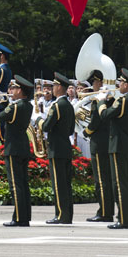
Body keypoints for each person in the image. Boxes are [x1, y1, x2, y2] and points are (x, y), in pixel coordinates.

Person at [96, 68, 128, 229]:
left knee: (119, 183)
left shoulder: (124, 100)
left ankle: (124, 219)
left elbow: (105, 115)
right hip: (127, 144)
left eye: (121, 82)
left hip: (118, 145)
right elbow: (116, 114)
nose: (119, 85)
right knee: (127, 182)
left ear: (126, 85)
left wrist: (101, 101)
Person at [0, 75, 34, 227]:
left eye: (14, 88)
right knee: (23, 184)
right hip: (22, 146)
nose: (11, 90)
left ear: (21, 91)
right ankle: (24, 216)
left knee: (15, 185)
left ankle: (19, 218)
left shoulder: (16, 106)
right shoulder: (27, 105)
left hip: (13, 148)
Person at [39, 72, 75, 224]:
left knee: (58, 184)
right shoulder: (68, 105)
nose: (52, 88)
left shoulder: (57, 105)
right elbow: (71, 130)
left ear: (59, 87)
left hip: (56, 148)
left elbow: (47, 126)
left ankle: (61, 215)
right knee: (66, 184)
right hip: (65, 147)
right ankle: (67, 215)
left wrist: (39, 120)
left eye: (54, 85)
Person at [81, 72, 114, 223]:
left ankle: (104, 212)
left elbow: (95, 122)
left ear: (100, 83)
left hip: (99, 143)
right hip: (105, 142)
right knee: (105, 179)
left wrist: (85, 132)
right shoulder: (111, 99)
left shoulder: (100, 101)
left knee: (101, 180)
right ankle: (106, 210)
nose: (93, 85)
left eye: (94, 82)